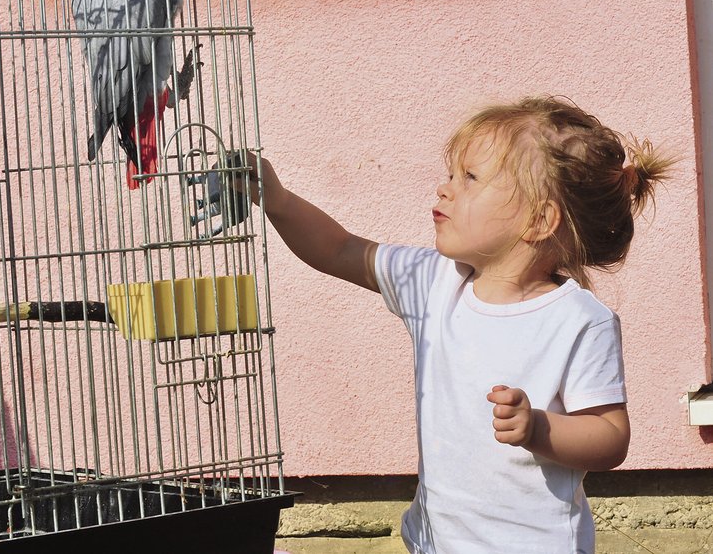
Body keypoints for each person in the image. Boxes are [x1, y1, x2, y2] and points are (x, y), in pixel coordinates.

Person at [246, 96, 675, 554]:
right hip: (435, 543)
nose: (444, 188)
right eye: (452, 174)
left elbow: (610, 437)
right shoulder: (434, 282)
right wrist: (277, 199)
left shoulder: (579, 321)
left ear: (538, 219)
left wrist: (538, 428)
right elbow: (338, 250)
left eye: (470, 178)